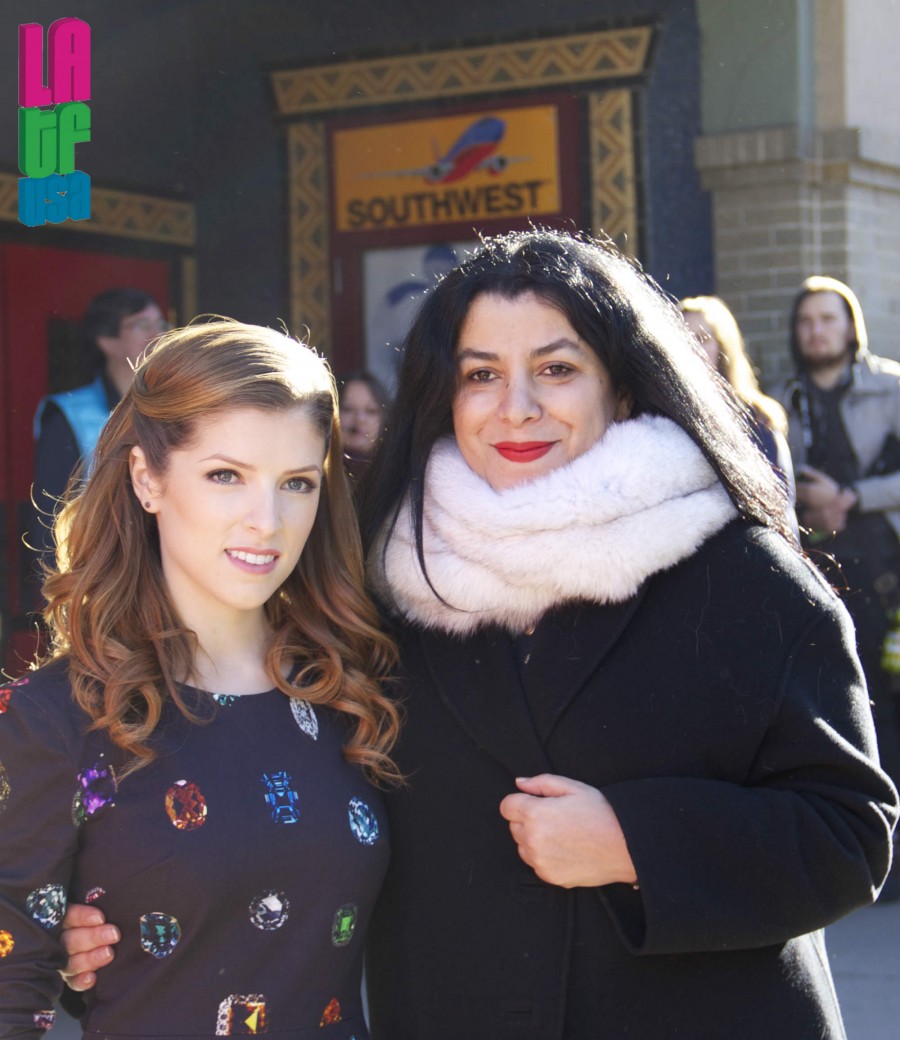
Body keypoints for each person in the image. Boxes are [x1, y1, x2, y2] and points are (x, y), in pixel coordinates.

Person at [62, 232, 897, 1039]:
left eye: (558, 369)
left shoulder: (744, 577)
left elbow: (849, 834)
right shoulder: (379, 588)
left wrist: (639, 841)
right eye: (481, 375)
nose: (517, 407)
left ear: (626, 387)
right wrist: (111, 929)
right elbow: (274, 808)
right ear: (443, 397)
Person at [0, 321, 400, 1038]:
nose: (267, 521)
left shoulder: (353, 690)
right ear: (146, 478)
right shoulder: (59, 716)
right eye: (226, 476)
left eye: (297, 483)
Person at [774, 275, 900, 896]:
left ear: (850, 326)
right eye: (806, 321)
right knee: (848, 710)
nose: (816, 330)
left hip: (890, 575)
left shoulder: (891, 388)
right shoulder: (783, 401)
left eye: (827, 319)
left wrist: (852, 497)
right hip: (822, 579)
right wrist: (810, 509)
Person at [28, 288, 167, 585]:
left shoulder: (172, 408)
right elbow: (51, 516)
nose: (159, 333)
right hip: (102, 580)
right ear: (107, 341)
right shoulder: (69, 415)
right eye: (143, 325)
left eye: (161, 324)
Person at [679, 295, 795, 490]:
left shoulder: (759, 418)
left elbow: (783, 502)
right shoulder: (658, 417)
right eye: (683, 339)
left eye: (701, 339)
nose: (693, 348)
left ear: (723, 348)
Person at [337, 371, 390, 482]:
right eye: (348, 409)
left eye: (371, 411)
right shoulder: (319, 472)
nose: (360, 419)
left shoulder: (396, 473)